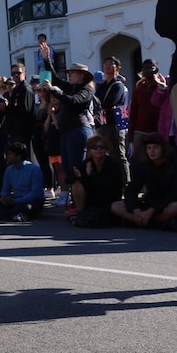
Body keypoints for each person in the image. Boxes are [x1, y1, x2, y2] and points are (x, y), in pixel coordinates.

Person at [41, 43, 95, 209]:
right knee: (67, 168)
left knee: (77, 168)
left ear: (82, 76)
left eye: (72, 73)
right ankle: (75, 200)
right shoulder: (71, 87)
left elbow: (74, 102)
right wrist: (46, 60)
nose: (69, 76)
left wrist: (55, 91)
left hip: (78, 131)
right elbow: (56, 79)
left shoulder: (85, 90)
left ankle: (83, 203)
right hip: (66, 132)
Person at [110, 133, 177, 229]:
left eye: (155, 148)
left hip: (166, 204)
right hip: (149, 203)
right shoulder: (144, 166)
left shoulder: (174, 165)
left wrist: (151, 211)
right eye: (149, 148)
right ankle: (144, 220)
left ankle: (147, 221)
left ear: (163, 149)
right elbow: (131, 190)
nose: (152, 151)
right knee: (116, 206)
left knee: (176, 207)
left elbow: (174, 193)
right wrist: (136, 210)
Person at [68, 135, 124, 227]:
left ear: (106, 150)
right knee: (76, 183)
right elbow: (69, 179)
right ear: (90, 151)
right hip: (91, 200)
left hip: (108, 200)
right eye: (95, 147)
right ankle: (81, 212)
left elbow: (106, 187)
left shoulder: (112, 165)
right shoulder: (87, 163)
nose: (98, 149)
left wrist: (89, 176)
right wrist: (81, 175)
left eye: (101, 147)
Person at [0, 142, 45, 222]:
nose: (7, 157)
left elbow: (35, 194)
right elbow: (5, 189)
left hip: (31, 201)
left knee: (24, 207)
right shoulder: (9, 170)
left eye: (10, 154)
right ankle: (14, 216)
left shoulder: (34, 170)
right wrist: (5, 198)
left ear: (19, 156)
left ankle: (9, 215)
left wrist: (15, 201)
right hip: (15, 200)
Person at [94, 56, 130, 184]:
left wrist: (102, 106)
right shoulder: (102, 86)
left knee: (119, 155)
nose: (108, 66)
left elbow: (109, 103)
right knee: (106, 155)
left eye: (111, 64)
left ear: (118, 67)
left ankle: (126, 184)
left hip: (116, 125)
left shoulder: (118, 86)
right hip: (103, 124)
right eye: (106, 64)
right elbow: (95, 102)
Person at [127, 59, 162, 165]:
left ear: (157, 70)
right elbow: (133, 113)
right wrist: (131, 134)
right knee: (140, 163)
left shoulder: (162, 88)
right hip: (140, 132)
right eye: (145, 68)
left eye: (151, 67)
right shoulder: (138, 90)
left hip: (157, 131)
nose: (148, 71)